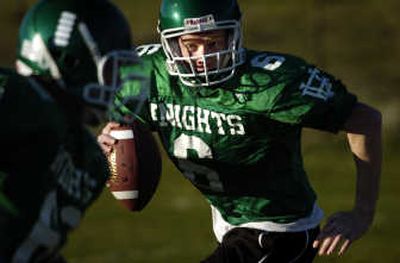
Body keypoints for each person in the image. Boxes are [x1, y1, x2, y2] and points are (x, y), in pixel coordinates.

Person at [98, 0, 382, 262]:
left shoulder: (269, 84)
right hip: (229, 223)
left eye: (213, 42)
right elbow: (121, 125)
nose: (203, 56)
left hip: (279, 229)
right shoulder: (148, 74)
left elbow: (365, 120)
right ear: (170, 42)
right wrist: (113, 139)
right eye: (191, 45)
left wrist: (362, 214)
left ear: (232, 36)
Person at [0, 0, 143, 262]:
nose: (119, 82)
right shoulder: (17, 98)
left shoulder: (90, 160)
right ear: (72, 62)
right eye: (111, 70)